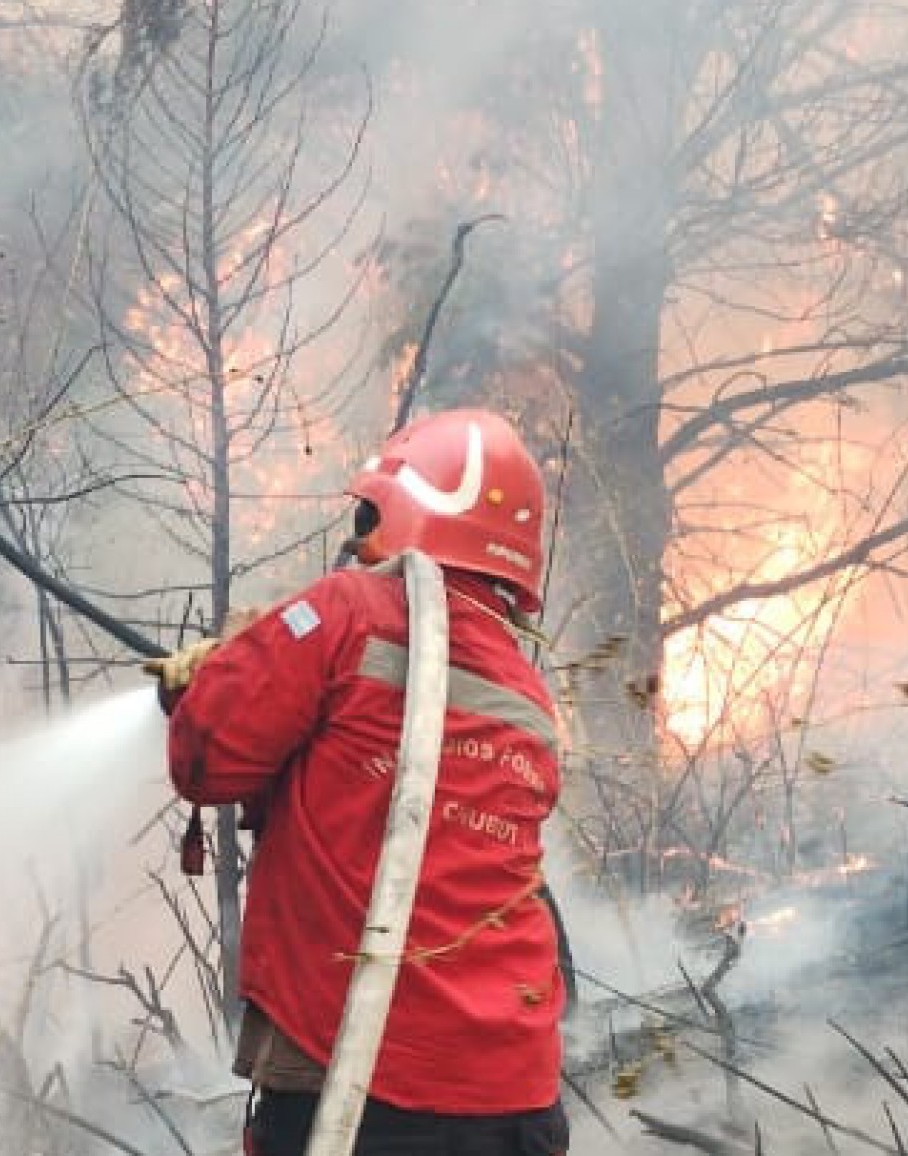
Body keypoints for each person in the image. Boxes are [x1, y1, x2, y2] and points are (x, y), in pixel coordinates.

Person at [148, 409, 569, 1156]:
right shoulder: (527, 694)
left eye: (370, 513)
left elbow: (209, 761)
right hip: (515, 1100)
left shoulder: (347, 612)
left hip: (361, 1086)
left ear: (403, 509)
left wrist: (203, 683)